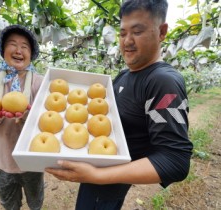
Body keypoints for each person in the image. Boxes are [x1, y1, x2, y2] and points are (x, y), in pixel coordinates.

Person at [45, 0, 193, 209]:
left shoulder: (163, 82)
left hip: (108, 185)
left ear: (162, 32)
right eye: (123, 34)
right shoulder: (124, 75)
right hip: (95, 173)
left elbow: (175, 160)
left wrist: (98, 175)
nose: (127, 41)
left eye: (137, 31)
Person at [0, 25, 44, 210]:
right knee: (9, 203)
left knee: (35, 201)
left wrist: (29, 114)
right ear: (3, 50)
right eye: (13, 44)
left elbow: (46, 116)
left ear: (31, 54)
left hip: (31, 157)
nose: (19, 50)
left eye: (25, 47)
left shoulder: (40, 82)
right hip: (1, 157)